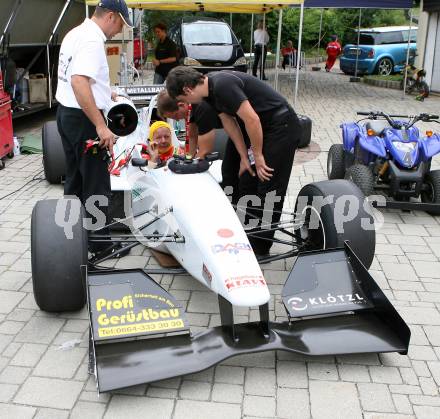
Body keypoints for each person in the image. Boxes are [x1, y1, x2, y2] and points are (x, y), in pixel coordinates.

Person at [166, 66, 301, 256]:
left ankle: (261, 247)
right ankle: (246, 232)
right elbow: (230, 123)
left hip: (280, 127)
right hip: (257, 129)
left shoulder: (222, 85)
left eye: (183, 100)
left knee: (267, 184)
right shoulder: (209, 92)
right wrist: (244, 158)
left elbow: (252, 119)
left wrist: (258, 155)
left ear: (187, 90)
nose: (187, 104)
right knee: (243, 178)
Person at [55, 0, 132, 254]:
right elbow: (79, 81)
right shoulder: (92, 41)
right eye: (121, 23)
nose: (120, 31)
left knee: (76, 179)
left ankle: (71, 237)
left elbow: (78, 77)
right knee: (97, 183)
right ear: (111, 16)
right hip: (84, 121)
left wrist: (103, 91)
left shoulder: (75, 32)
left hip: (67, 115)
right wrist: (100, 125)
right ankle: (101, 245)